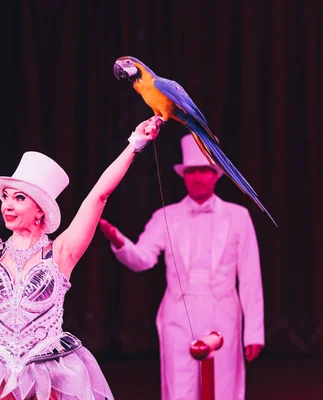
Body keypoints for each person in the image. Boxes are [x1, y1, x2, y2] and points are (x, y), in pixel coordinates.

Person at [0, 109, 164, 400]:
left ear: (40, 210)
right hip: (0, 373)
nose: (7, 204)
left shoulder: (61, 253)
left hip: (49, 374)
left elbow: (98, 195)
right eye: (5, 196)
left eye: (19, 198)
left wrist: (135, 143)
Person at [99, 134, 265, 400]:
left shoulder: (238, 217)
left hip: (222, 312)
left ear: (215, 175)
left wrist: (254, 332)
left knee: (222, 387)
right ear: (184, 175)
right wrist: (119, 241)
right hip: (178, 312)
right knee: (180, 388)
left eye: (204, 171)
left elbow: (250, 275)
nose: (198, 177)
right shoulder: (167, 216)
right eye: (192, 171)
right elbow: (143, 259)